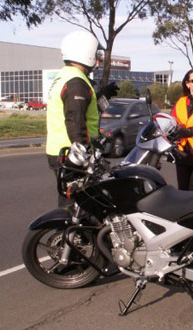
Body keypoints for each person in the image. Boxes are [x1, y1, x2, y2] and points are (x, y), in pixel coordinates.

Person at [46, 30, 117, 207]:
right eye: (96, 54)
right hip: (73, 154)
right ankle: (70, 235)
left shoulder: (67, 76)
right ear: (85, 53)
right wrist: (85, 156)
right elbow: (75, 120)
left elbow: (81, 108)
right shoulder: (77, 82)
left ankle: (70, 233)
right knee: (79, 207)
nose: (97, 59)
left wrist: (102, 95)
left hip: (62, 151)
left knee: (74, 202)